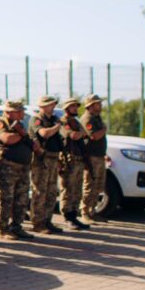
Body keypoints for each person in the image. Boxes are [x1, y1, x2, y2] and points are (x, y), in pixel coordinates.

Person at [0, 100, 37, 240]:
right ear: (10, 112)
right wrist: (21, 135)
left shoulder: (20, 125)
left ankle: (17, 226)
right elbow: (7, 139)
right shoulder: (0, 123)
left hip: (23, 167)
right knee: (6, 198)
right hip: (7, 166)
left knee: (21, 199)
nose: (23, 113)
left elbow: (34, 144)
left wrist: (22, 134)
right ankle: (3, 228)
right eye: (20, 111)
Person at [28, 95, 65, 234]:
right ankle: (37, 222)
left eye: (53, 104)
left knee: (51, 191)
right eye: (50, 104)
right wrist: (58, 126)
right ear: (42, 106)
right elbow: (44, 133)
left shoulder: (53, 120)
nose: (53, 106)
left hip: (54, 158)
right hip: (42, 159)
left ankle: (47, 220)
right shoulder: (37, 119)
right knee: (40, 191)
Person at [58, 98, 90, 230]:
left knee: (77, 189)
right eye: (73, 107)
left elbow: (85, 135)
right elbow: (74, 136)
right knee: (67, 189)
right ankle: (67, 216)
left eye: (76, 107)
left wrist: (81, 133)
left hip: (78, 158)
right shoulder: (63, 122)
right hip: (68, 160)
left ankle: (74, 215)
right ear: (66, 109)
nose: (75, 109)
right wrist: (81, 133)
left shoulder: (75, 122)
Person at [80, 94, 109, 223]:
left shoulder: (96, 118)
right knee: (89, 185)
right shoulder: (87, 119)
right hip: (91, 157)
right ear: (91, 105)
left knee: (98, 185)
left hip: (99, 155)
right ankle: (85, 212)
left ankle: (92, 211)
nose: (100, 105)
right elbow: (94, 136)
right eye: (98, 103)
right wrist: (104, 129)